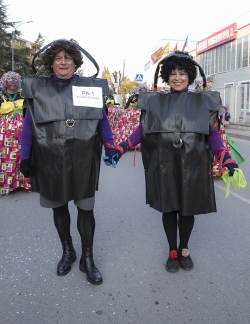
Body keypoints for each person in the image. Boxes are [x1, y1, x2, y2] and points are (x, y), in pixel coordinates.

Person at [104, 51, 238, 273]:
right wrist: (122, 147)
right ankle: (172, 250)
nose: (177, 77)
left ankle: (184, 248)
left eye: (182, 73)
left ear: (190, 76)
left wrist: (227, 158)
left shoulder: (202, 102)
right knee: (169, 208)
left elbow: (212, 134)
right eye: (173, 73)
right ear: (166, 76)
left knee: (187, 209)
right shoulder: (156, 102)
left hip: (193, 165)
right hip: (164, 164)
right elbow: (142, 130)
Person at [20, 39, 117, 285]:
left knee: (86, 208)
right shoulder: (39, 89)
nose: (63, 62)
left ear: (76, 62)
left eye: (68, 58)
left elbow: (102, 120)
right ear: (51, 62)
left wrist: (110, 146)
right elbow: (29, 127)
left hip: (84, 158)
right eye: (58, 58)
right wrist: (25, 156)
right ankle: (68, 251)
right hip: (49, 158)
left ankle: (87, 258)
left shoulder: (89, 88)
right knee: (59, 207)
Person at [0, 71, 30, 195]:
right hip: (4, 132)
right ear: (5, 82)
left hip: (22, 130)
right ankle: (6, 185)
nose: (13, 83)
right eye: (11, 81)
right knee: (6, 157)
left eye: (16, 81)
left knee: (22, 155)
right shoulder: (1, 95)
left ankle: (24, 182)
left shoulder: (23, 95)